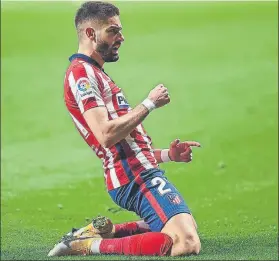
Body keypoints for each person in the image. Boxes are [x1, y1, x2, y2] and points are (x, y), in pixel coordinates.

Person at [48, 1, 201, 257]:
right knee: (186, 243)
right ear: (90, 33)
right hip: (133, 176)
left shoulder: (97, 73)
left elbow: (128, 143)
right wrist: (149, 103)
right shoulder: (82, 75)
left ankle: (98, 232)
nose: (121, 37)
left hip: (139, 169)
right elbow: (106, 135)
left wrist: (167, 156)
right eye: (112, 31)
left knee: (188, 225)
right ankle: (88, 245)